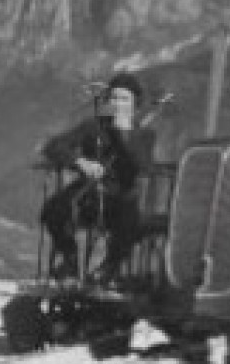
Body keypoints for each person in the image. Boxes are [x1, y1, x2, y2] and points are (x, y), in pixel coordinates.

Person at [35, 73, 156, 282]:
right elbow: (54, 146)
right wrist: (81, 162)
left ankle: (110, 268)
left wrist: (121, 134)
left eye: (124, 99)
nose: (117, 103)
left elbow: (139, 166)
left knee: (129, 221)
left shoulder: (144, 135)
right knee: (53, 210)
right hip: (89, 192)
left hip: (121, 196)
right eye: (114, 98)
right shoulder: (94, 127)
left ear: (135, 106)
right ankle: (71, 258)